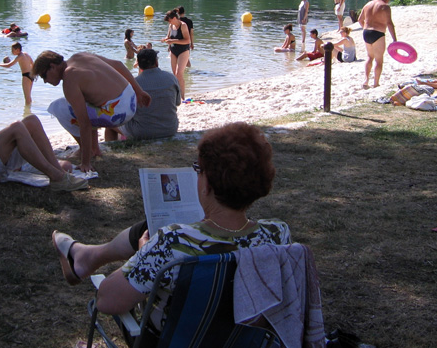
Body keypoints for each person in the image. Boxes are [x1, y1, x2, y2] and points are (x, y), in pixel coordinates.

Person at [51, 122, 290, 336]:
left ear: (206, 183)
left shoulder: (171, 244)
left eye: (198, 170)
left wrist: (142, 255)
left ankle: (84, 257)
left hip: (172, 343)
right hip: (242, 344)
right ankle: (85, 255)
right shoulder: (278, 235)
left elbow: (106, 300)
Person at [33, 50, 151, 172]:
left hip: (117, 113)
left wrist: (85, 163)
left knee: (58, 107)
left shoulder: (69, 78)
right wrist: (139, 91)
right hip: (131, 99)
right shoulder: (80, 55)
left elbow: (84, 123)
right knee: (85, 100)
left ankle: (88, 150)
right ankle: (94, 148)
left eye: (43, 76)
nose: (45, 81)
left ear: (52, 67)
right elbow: (118, 64)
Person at [104, 48, 181, 142]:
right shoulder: (171, 78)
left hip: (142, 131)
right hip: (170, 129)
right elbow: (177, 102)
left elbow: (127, 110)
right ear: (156, 62)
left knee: (109, 124)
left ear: (139, 65)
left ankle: (112, 149)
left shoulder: (134, 84)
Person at [358, 0, 397, 89]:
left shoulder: (368, 4)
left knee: (369, 57)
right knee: (379, 60)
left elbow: (360, 19)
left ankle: (366, 80)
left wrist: (365, 28)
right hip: (378, 33)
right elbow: (389, 23)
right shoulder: (385, 6)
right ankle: (376, 83)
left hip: (366, 33)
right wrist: (394, 40)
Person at [161, 9, 191, 98]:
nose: (169, 23)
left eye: (170, 20)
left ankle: (182, 97)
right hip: (173, 50)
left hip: (183, 51)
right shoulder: (171, 25)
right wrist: (165, 39)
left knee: (179, 74)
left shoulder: (183, 25)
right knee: (174, 75)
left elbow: (187, 40)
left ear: (174, 18)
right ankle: (176, 96)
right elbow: (168, 36)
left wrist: (173, 40)